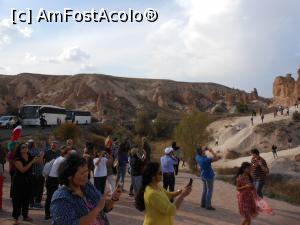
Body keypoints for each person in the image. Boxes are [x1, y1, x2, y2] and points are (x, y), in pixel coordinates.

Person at [51, 154, 122, 225]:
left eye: (87, 171)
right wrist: (97, 209)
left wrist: (113, 199)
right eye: (82, 173)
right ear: (69, 176)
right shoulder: (61, 199)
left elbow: (104, 207)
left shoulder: (87, 186)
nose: (86, 175)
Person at [12, 143, 43, 225]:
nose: (25, 148)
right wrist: (32, 162)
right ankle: (15, 218)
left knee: (26, 199)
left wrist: (41, 155)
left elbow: (39, 162)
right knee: (17, 200)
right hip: (18, 182)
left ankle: (25, 216)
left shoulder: (29, 156)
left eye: (26, 146)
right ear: (20, 149)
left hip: (28, 181)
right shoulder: (17, 159)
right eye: (23, 147)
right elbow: (23, 170)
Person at [44, 145, 71, 220]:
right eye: (69, 153)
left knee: (51, 197)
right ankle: (49, 214)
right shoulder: (63, 160)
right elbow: (64, 172)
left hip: (52, 179)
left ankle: (49, 214)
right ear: (65, 153)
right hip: (53, 180)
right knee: (51, 198)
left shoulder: (59, 158)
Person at [28, 139, 45, 209]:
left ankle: (31, 203)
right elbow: (38, 161)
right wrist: (41, 156)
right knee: (39, 189)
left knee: (32, 189)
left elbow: (38, 160)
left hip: (32, 172)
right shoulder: (35, 151)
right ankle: (36, 204)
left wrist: (40, 157)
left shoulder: (29, 151)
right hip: (37, 172)